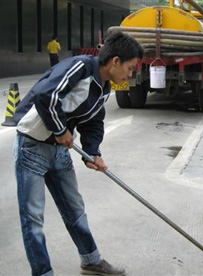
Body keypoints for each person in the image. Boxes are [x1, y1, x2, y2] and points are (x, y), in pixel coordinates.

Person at [14, 31, 144, 276]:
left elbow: (93, 122)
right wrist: (60, 128)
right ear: (115, 61)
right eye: (130, 68)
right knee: (33, 219)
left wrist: (92, 152)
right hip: (32, 146)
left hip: (59, 151)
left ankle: (91, 260)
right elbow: (47, 95)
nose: (130, 74)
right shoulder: (80, 67)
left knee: (74, 209)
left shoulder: (105, 87)